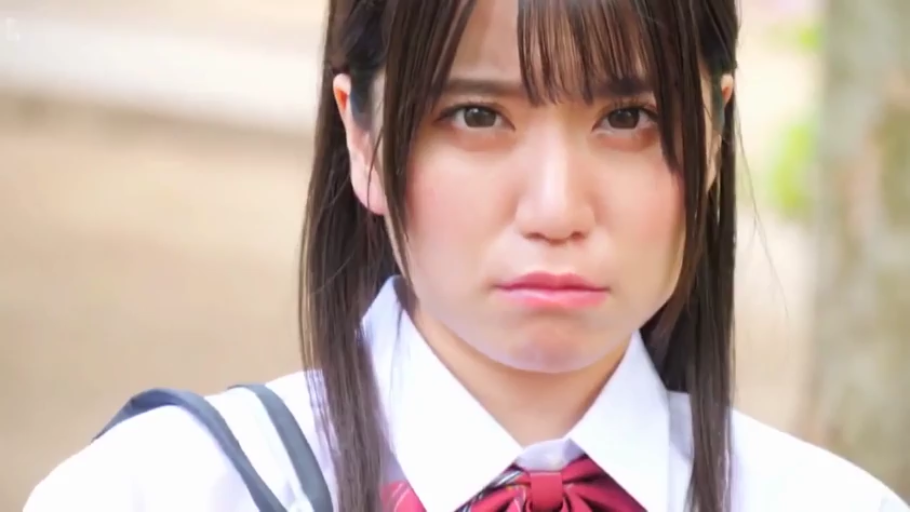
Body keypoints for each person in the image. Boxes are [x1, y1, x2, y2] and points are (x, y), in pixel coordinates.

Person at [23, 0, 910, 511]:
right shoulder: (163, 492)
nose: (556, 209)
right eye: (478, 116)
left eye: (626, 118)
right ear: (363, 138)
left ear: (713, 136)